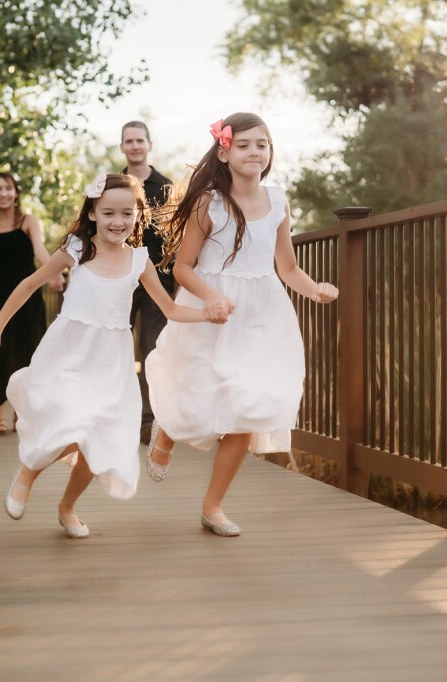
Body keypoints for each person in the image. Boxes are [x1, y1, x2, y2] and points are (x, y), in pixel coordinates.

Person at [0, 173, 225, 538]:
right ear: (93, 213)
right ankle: (27, 474)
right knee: (70, 419)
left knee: (97, 435)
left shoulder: (139, 261)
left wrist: (207, 312)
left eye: (127, 213)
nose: (118, 221)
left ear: (138, 216)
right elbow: (29, 284)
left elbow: (170, 310)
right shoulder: (76, 249)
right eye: (108, 213)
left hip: (111, 361)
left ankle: (67, 507)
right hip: (70, 351)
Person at [144, 113, 339, 537]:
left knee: (248, 407)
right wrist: (212, 297)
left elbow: (287, 267)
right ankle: (167, 431)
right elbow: (182, 267)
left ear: (270, 153)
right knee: (196, 394)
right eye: (245, 144)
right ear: (224, 151)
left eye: (262, 145)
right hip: (211, 310)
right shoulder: (208, 203)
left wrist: (313, 288)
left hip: (261, 316)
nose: (255, 152)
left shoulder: (278, 200)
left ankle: (213, 506)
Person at [0, 172, 62, 435]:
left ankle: (21, 411)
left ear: (15, 193)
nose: (4, 193)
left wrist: (53, 272)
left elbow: (40, 250)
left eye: (8, 188)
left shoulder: (28, 221)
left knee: (28, 350)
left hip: (28, 298)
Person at [120, 121, 174, 443]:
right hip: (120, 280)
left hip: (158, 283)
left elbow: (174, 240)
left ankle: (149, 421)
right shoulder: (113, 185)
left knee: (151, 351)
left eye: (140, 140)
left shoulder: (166, 187)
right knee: (116, 349)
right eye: (129, 141)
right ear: (123, 146)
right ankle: (118, 414)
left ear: (149, 145)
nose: (135, 145)